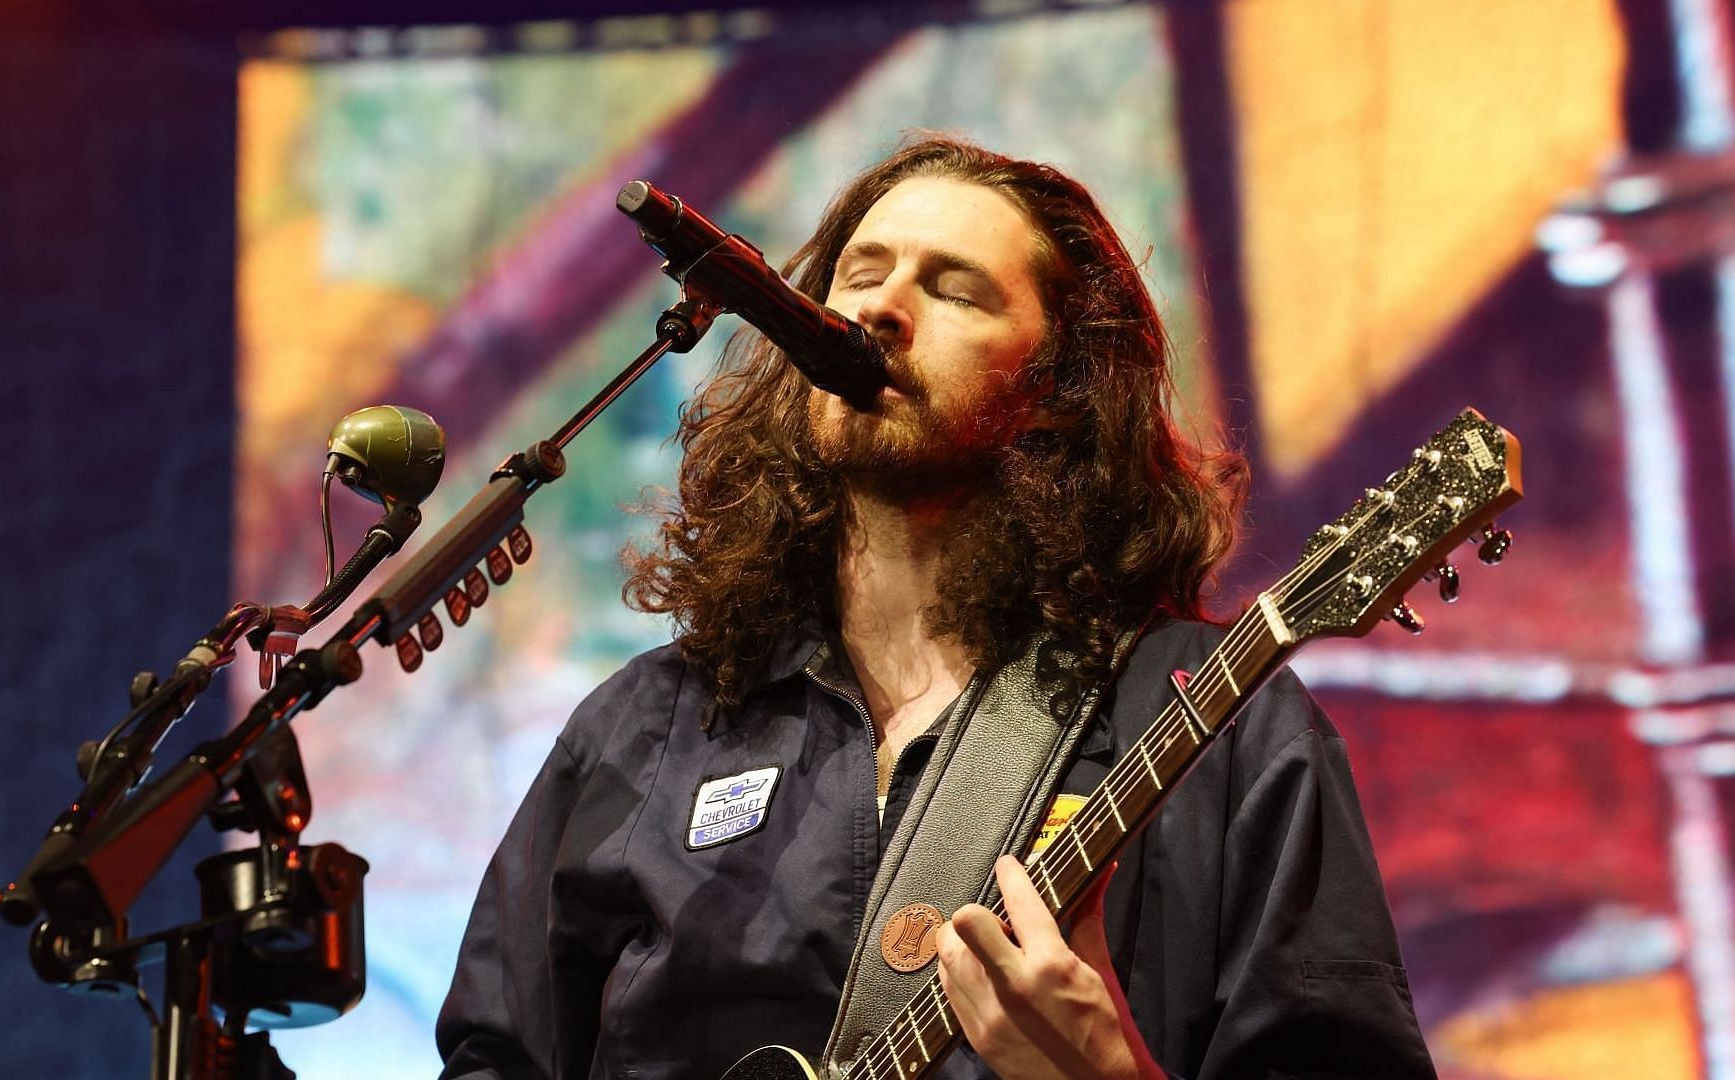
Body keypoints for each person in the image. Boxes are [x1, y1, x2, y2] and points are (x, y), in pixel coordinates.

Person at [436, 136, 1433, 1079]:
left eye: (954, 289)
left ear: (1057, 390)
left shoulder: (1221, 723)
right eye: (860, 275)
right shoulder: (642, 728)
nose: (883, 309)